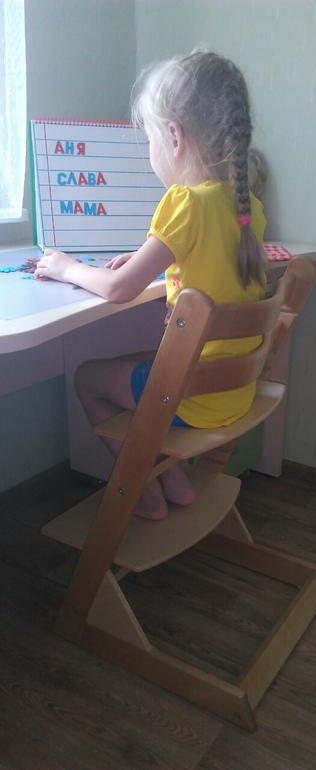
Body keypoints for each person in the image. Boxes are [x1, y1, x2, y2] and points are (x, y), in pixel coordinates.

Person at [35, 51, 267, 520]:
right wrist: (152, 260)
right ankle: (174, 481)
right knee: (135, 362)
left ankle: (144, 491)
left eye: (149, 138)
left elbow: (119, 289)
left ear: (174, 138)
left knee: (88, 377)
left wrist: (65, 267)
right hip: (233, 391)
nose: (150, 151)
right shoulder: (247, 208)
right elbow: (211, 271)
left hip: (192, 398)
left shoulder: (185, 202)